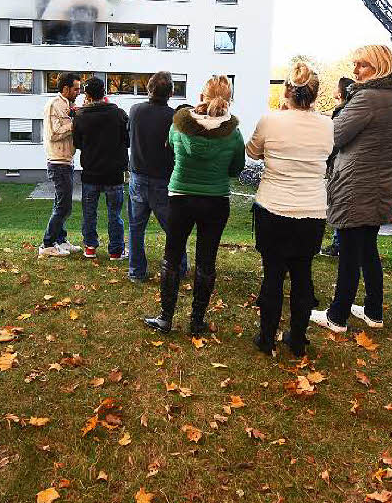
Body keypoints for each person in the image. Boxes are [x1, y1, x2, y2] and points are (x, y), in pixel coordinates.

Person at [312, 45, 392, 333]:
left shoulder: (367, 97)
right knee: (367, 248)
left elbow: (336, 135)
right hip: (381, 181)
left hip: (356, 183)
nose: (355, 71)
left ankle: (337, 315)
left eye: (362, 65)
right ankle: (373, 310)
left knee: (351, 251)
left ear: (378, 66)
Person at [144, 76, 245, 335]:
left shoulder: (179, 126)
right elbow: (236, 169)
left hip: (181, 197)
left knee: (172, 257)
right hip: (216, 200)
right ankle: (197, 321)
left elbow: (170, 154)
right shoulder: (233, 134)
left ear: (202, 95)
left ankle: (165, 318)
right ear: (228, 99)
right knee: (206, 261)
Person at [246, 62, 333, 356]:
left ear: (286, 91)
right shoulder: (327, 124)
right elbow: (327, 154)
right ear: (315, 94)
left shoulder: (270, 121)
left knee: (272, 274)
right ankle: (297, 339)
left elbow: (253, 151)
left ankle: (267, 337)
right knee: (302, 274)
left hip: (274, 206)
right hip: (311, 210)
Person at [127, 71, 187, 283]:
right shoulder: (174, 118)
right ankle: (179, 268)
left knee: (136, 227)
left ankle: (136, 271)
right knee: (172, 227)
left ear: (148, 89)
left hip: (137, 178)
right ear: (171, 92)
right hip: (163, 180)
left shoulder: (134, 111)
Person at [72, 77, 129, 260]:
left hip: (90, 173)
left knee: (89, 213)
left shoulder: (80, 116)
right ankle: (116, 251)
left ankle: (90, 248)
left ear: (87, 95)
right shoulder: (119, 114)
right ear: (105, 92)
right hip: (114, 173)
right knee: (115, 214)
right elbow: (126, 141)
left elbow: (77, 144)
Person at [39, 72, 82, 258]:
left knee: (61, 203)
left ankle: (61, 240)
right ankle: (47, 244)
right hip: (57, 163)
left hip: (67, 161)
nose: (79, 92)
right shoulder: (54, 105)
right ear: (65, 88)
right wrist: (74, 124)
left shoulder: (68, 106)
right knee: (64, 206)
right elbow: (54, 133)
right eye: (76, 89)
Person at [319, 77, 355, 258]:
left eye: (335, 87)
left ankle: (338, 245)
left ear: (340, 93)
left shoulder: (343, 112)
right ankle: (339, 243)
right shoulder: (346, 110)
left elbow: (335, 140)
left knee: (338, 202)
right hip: (339, 164)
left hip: (338, 165)